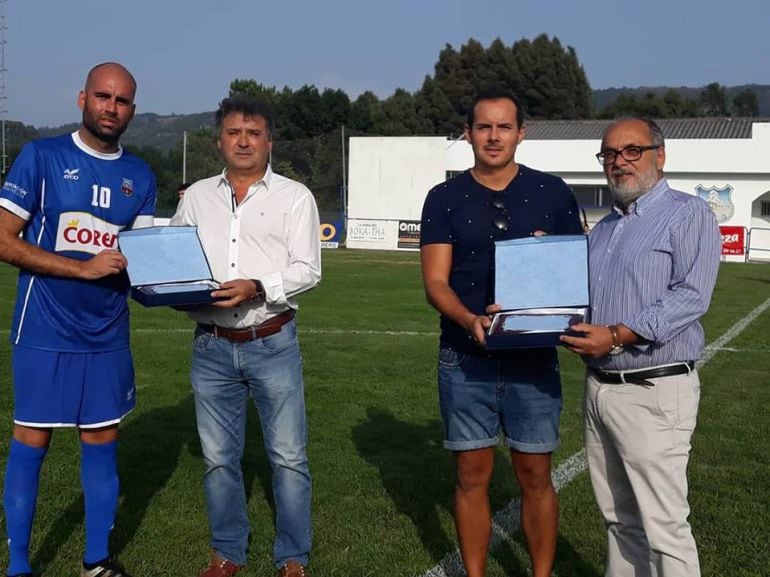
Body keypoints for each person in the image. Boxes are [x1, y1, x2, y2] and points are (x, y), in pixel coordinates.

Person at [0, 62, 156, 577]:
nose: (112, 108)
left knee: (102, 442)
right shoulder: (41, 156)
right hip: (44, 329)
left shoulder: (141, 176)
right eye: (103, 97)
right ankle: (20, 566)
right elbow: (4, 240)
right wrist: (82, 269)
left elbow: (145, 260)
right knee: (32, 442)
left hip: (108, 334)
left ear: (133, 109)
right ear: (82, 98)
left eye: (123, 101)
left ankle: (96, 562)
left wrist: (179, 283)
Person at [419, 87, 582, 577]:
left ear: (521, 133)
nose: (494, 136)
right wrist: (469, 319)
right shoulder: (443, 197)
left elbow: (573, 275)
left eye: (504, 126)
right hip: (465, 357)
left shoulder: (553, 192)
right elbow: (435, 282)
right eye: (484, 126)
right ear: (468, 133)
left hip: (533, 360)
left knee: (535, 474)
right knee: (472, 475)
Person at [561, 117, 721, 577]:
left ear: (660, 155)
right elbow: (580, 299)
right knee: (619, 520)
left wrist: (615, 335)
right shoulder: (606, 229)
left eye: (632, 150)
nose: (619, 162)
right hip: (600, 388)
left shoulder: (687, 213)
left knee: (665, 526)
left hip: (654, 389)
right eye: (610, 154)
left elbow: (691, 295)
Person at [170, 95, 321, 577]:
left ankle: (293, 556)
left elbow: (308, 269)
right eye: (234, 132)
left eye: (253, 133)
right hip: (211, 346)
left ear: (269, 142)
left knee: (288, 456)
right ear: (219, 140)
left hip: (272, 341)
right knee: (217, 458)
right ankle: (227, 550)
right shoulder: (195, 196)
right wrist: (175, 292)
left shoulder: (295, 196)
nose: (243, 141)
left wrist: (258, 286)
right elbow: (176, 261)